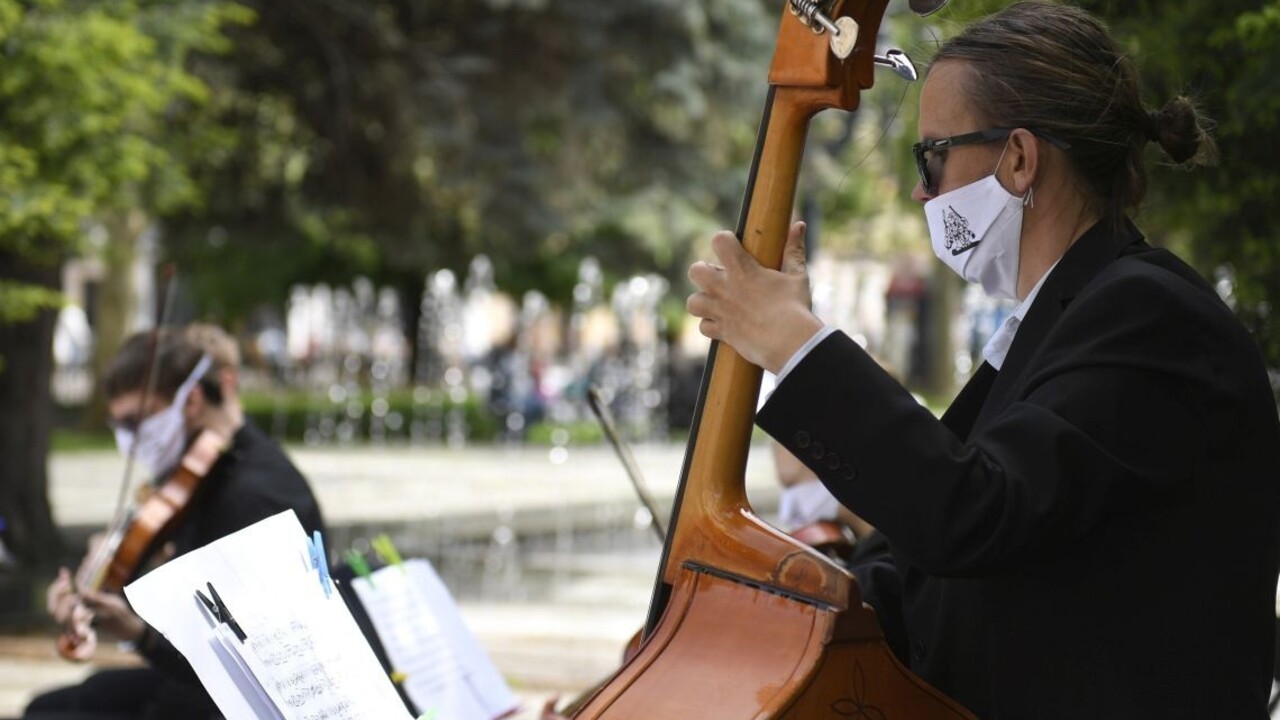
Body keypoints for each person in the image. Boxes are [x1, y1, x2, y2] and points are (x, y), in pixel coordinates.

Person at [686, 2, 1280, 717]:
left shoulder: (1148, 316)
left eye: (931, 157)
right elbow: (936, 571)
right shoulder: (1068, 318)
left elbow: (971, 514)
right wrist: (771, 597)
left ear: (1019, 159)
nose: (919, 191)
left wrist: (795, 343)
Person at [27, 324, 326, 720]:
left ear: (192, 400)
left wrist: (137, 634)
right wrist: (96, 585)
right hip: (188, 686)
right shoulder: (201, 473)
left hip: (220, 704)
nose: (129, 440)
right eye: (119, 426)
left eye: (138, 421)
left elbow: (243, 666)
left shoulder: (250, 496)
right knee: (51, 704)